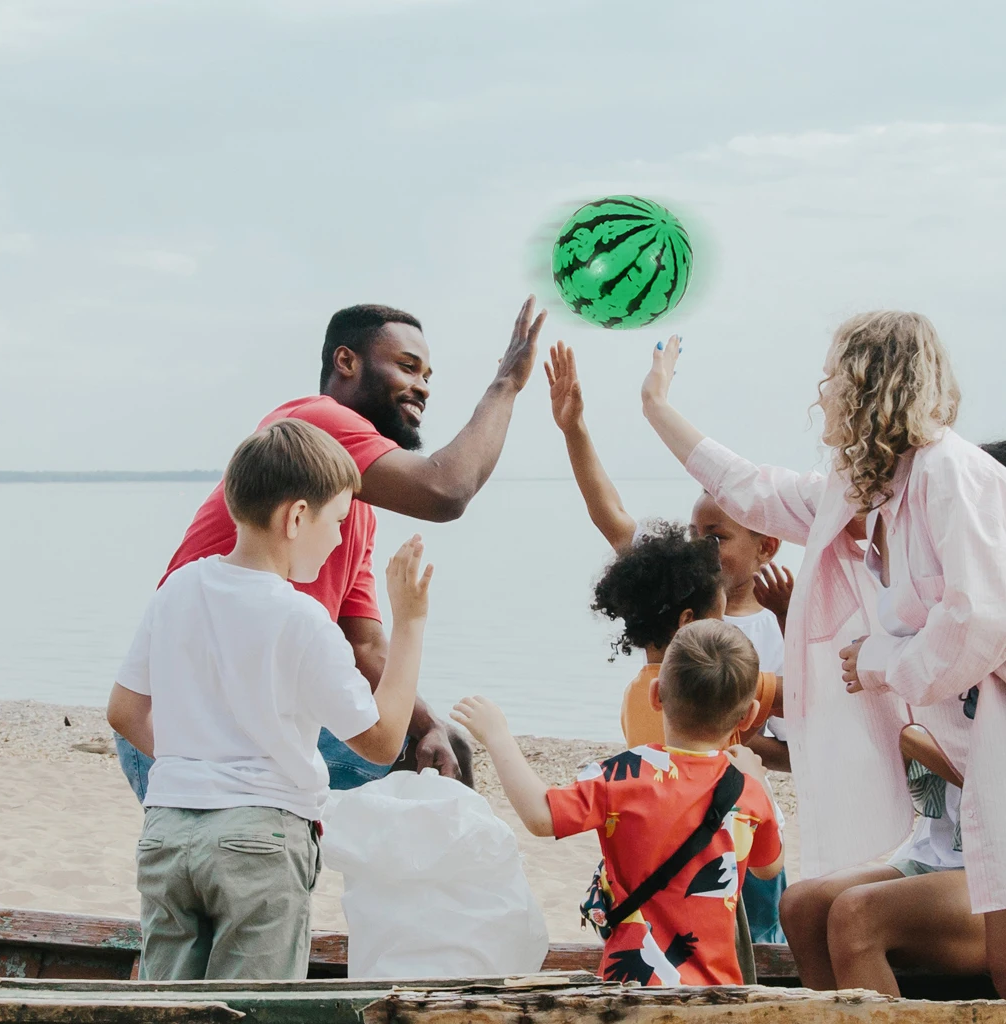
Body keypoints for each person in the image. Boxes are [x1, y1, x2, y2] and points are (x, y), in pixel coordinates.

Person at [637, 318, 1006, 999]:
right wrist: (657, 408)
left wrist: (877, 660)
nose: (822, 397)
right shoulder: (870, 494)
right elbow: (755, 490)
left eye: (833, 379)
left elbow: (982, 621)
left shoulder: (949, 475)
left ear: (870, 386)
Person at [115, 297, 546, 800]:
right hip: (185, 736)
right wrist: (506, 385)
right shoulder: (313, 424)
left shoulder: (348, 512)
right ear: (346, 362)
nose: (423, 386)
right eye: (408, 367)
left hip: (250, 722)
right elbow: (445, 490)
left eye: (429, 375)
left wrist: (425, 723)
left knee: (438, 747)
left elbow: (363, 646)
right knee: (408, 755)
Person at [780, 441, 1006, 994]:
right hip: (938, 858)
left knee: (856, 916)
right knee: (802, 904)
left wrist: (920, 743)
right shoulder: (936, 624)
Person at [106, 420, 431, 980]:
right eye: (336, 520)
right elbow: (380, 742)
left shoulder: (178, 589)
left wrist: (198, 763)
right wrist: (410, 625)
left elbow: (124, 711)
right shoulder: (302, 618)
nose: (337, 539)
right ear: (297, 517)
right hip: (258, 843)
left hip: (168, 833)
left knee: (165, 1016)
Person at [453, 620, 785, 988]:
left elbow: (541, 816)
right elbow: (769, 868)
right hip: (715, 992)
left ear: (656, 695)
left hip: (630, 988)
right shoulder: (748, 792)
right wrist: (759, 780)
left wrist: (497, 735)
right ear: (750, 715)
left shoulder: (622, 775)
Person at [547, 341, 791, 773]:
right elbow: (610, 513)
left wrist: (733, 733)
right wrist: (574, 429)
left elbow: (799, 741)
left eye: (717, 538)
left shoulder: (774, 624)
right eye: (694, 533)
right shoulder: (672, 581)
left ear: (767, 547)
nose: (701, 547)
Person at [590, 522, 785, 944]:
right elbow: (810, 694)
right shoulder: (716, 678)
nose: (729, 632)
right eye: (722, 619)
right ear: (688, 622)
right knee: (760, 947)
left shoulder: (641, 691)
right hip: (731, 851)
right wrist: (787, 616)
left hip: (668, 861)